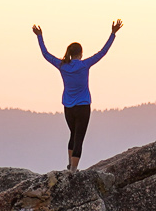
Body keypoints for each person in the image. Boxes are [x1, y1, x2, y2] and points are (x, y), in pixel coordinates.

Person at [33, 19, 123, 169]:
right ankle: (73, 171)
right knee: (79, 138)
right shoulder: (84, 65)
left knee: (73, 134)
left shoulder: (62, 65)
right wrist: (113, 34)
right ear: (81, 53)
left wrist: (39, 36)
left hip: (68, 106)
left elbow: (45, 54)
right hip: (83, 106)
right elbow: (102, 52)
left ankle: (70, 165)